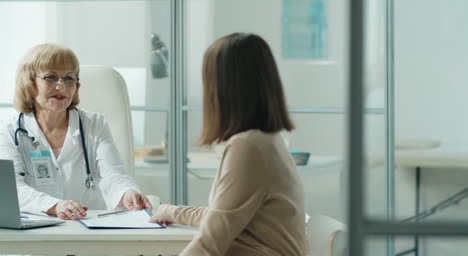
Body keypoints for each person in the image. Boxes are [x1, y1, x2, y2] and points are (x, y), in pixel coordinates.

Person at [150, 33, 307, 255]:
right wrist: (171, 212)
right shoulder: (267, 140)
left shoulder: (248, 148)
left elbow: (210, 241)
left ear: (223, 87)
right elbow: (224, 214)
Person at [0, 43, 152, 220]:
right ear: (29, 82)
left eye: (69, 78)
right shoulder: (8, 131)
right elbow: (11, 189)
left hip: (87, 230)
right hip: (35, 231)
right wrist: (54, 206)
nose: (61, 86)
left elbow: (113, 174)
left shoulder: (94, 124)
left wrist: (127, 193)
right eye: (51, 77)